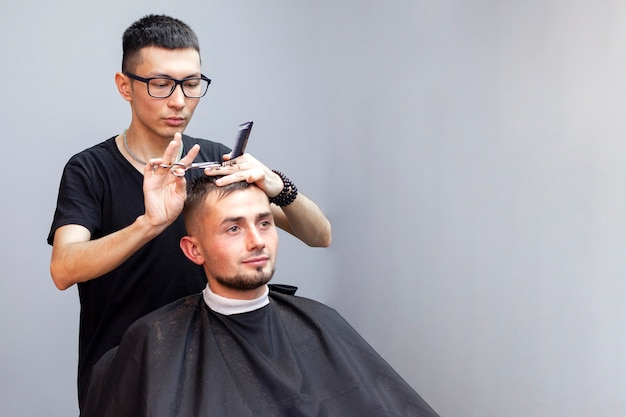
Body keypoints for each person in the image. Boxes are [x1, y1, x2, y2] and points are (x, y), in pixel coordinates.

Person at [47, 14, 331, 412]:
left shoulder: (216, 162)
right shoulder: (90, 170)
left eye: (192, 84)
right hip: (127, 375)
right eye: (161, 85)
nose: (179, 100)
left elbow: (320, 235)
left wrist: (276, 185)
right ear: (124, 86)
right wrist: (150, 224)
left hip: (213, 372)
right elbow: (64, 268)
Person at [81, 176, 439, 417]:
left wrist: (280, 184)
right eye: (233, 228)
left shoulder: (321, 324)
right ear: (194, 250)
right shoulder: (152, 343)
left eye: (264, 223)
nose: (257, 241)